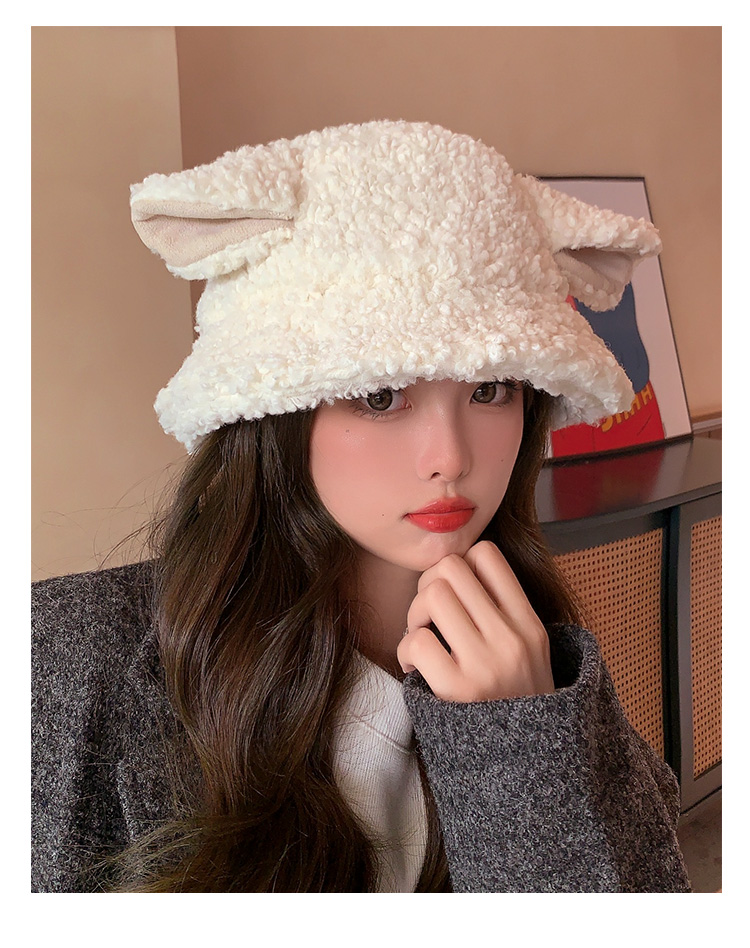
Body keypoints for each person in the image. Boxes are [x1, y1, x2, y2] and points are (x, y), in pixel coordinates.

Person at [31, 120, 691, 893]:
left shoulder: (549, 673)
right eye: (380, 396)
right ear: (276, 411)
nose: (450, 457)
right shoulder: (65, 657)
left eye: (490, 389)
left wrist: (522, 748)